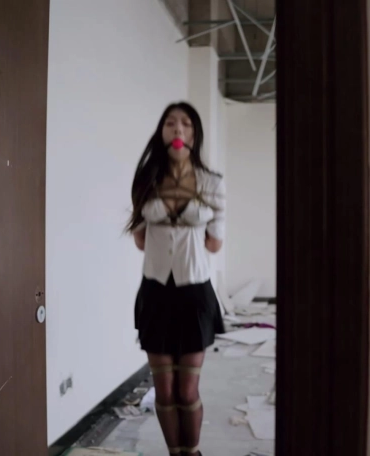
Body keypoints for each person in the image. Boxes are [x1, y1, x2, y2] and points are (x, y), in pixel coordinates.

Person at [126, 101, 226, 456]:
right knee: (165, 390)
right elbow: (140, 240)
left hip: (195, 292)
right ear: (162, 132)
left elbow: (214, 243)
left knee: (187, 390)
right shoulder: (146, 180)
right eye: (170, 123)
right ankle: (175, 454)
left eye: (185, 124)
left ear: (194, 135)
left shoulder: (212, 183)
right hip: (155, 292)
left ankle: (192, 452)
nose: (178, 129)